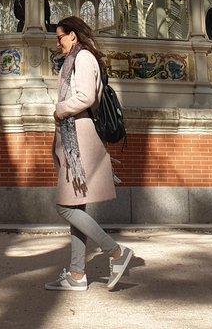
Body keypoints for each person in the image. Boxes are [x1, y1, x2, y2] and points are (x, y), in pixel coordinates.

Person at [46, 15, 134, 292]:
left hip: (80, 137)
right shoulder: (77, 58)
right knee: (75, 207)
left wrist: (59, 110)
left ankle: (116, 251)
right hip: (76, 135)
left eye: (60, 37)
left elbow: (85, 97)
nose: (58, 43)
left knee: (64, 207)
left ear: (72, 35)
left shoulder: (83, 58)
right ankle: (76, 274)